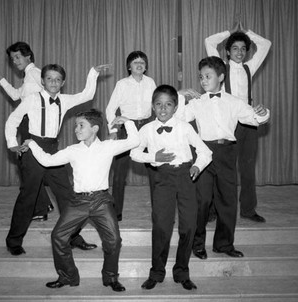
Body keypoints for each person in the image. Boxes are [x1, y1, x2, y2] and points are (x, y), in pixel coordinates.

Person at [25, 110, 139, 292]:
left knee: (114, 240)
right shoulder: (73, 150)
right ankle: (68, 276)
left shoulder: (108, 146)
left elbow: (135, 141)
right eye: (76, 125)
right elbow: (47, 161)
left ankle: (110, 277)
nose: (76, 129)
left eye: (81, 125)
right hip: (78, 202)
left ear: (94, 128)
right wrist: (32, 144)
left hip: (101, 201)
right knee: (58, 236)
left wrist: (127, 121)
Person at [4, 63, 110, 256]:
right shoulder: (31, 99)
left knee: (67, 196)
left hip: (53, 150)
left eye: (58, 79)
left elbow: (86, 95)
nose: (54, 82)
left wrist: (93, 73)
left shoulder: (65, 100)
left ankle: (73, 237)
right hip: (33, 149)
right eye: (49, 79)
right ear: (42, 81)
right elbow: (13, 119)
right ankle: (14, 241)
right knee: (28, 196)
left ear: (63, 82)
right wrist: (12, 142)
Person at [176, 56, 270, 260]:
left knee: (227, 200)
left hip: (227, 153)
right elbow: (177, 117)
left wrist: (263, 113)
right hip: (204, 154)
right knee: (202, 201)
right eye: (201, 77)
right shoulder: (197, 102)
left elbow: (255, 118)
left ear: (221, 76)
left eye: (207, 76)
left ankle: (224, 244)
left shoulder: (234, 102)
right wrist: (180, 95)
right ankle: (197, 244)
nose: (203, 80)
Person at [130, 85, 212, 291]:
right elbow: (134, 153)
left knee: (189, 226)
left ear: (175, 107)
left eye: (168, 104)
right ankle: (157, 272)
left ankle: (182, 271)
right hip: (163, 178)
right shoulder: (147, 129)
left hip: (186, 177)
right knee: (161, 226)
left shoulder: (185, 127)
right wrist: (153, 157)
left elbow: (205, 151)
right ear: (152, 106)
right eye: (159, 104)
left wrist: (197, 166)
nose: (163, 108)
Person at [205, 22, 272, 223]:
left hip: (248, 123)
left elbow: (266, 44)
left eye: (243, 49)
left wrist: (248, 33)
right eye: (235, 48)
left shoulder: (250, 67)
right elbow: (209, 41)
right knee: (222, 169)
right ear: (227, 51)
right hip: (226, 123)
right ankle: (214, 210)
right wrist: (231, 32)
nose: (240, 52)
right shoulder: (219, 66)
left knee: (247, 168)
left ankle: (248, 210)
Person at [0, 41, 53, 221]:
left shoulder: (36, 73)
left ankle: (41, 207)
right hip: (26, 123)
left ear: (28, 55)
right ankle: (42, 205)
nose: (14, 61)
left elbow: (52, 90)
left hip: (33, 124)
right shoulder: (28, 77)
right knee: (30, 166)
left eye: (17, 57)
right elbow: (16, 95)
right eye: (12, 58)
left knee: (29, 167)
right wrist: (1, 79)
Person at [105, 50, 157, 222]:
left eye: (142, 62)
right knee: (120, 173)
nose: (139, 65)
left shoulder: (150, 82)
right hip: (127, 128)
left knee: (155, 170)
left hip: (147, 126)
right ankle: (116, 212)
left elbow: (157, 106)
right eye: (135, 62)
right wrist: (113, 131)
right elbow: (110, 109)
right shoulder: (122, 84)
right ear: (129, 66)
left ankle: (159, 211)